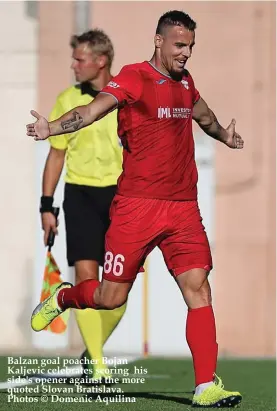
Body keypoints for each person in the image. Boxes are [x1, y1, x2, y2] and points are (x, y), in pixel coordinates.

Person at [27, 11, 244, 408]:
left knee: (198, 289)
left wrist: (224, 136)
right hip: (136, 208)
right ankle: (63, 297)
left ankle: (204, 386)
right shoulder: (133, 77)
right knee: (110, 298)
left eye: (191, 46)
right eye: (180, 45)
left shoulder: (186, 82)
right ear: (159, 41)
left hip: (182, 208)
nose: (186, 53)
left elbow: (205, 116)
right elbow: (91, 112)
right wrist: (52, 127)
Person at [39, 29, 126, 381]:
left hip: (123, 199)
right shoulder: (66, 99)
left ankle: (93, 351)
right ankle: (99, 368)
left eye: (79, 59)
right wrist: (47, 206)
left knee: (118, 290)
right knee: (87, 279)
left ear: (100, 61)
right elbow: (56, 155)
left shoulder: (127, 95)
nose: (73, 65)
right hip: (80, 196)